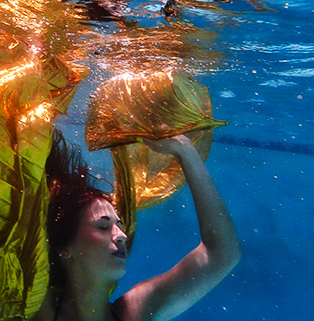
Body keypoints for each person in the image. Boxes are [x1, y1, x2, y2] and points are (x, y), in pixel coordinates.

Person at [33, 129, 242, 321]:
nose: (121, 236)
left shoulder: (135, 310)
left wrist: (184, 149)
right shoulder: (34, 311)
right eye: (103, 226)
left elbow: (223, 254)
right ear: (64, 248)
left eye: (120, 225)